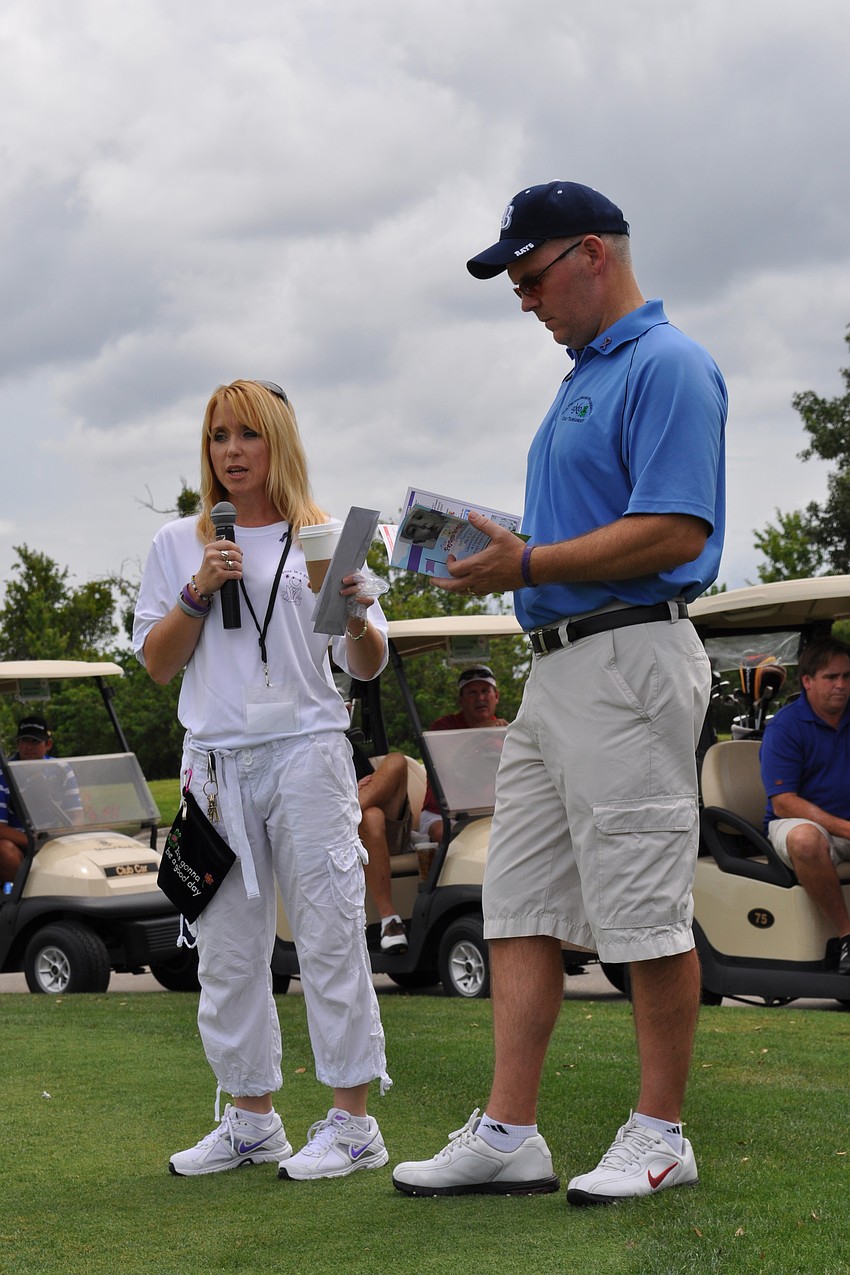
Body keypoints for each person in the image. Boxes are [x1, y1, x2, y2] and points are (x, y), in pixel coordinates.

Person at [392, 181, 726, 1205]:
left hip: (629, 658)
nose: (525, 300)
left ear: (592, 253)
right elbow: (574, 541)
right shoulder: (583, 376)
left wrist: (525, 565)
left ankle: (661, 1133)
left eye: (530, 277)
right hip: (562, 665)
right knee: (517, 898)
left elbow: (677, 531)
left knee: (642, 907)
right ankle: (509, 1133)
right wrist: (514, 562)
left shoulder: (667, 364)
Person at [133, 378, 392, 1182]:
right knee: (227, 950)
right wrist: (198, 590)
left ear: (277, 440)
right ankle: (252, 1118)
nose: (232, 450)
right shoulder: (180, 543)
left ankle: (352, 1122)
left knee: (327, 932)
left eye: (247, 434)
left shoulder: (322, 534)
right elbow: (156, 662)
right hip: (213, 762)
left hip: (308, 749)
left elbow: (366, 661)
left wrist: (350, 607)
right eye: (218, 436)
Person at [760, 637, 850, 973]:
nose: (841, 685)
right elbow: (784, 803)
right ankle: (847, 939)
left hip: (845, 826)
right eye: (831, 677)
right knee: (805, 840)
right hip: (800, 824)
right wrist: (844, 828)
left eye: (847, 676)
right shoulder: (786, 727)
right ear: (808, 681)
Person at [418, 665, 508, 844]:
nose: (480, 698)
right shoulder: (443, 728)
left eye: (485, 691)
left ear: (496, 696)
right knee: (444, 834)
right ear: (461, 700)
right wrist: (480, 732)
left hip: (492, 813)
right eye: (472, 693)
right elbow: (445, 764)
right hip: (443, 815)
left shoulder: (505, 731)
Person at [0, 716, 82, 883]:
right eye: (24, 741)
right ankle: (31, 893)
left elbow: (77, 817)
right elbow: (0, 828)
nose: (29, 747)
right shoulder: (4, 773)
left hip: (53, 841)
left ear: (48, 745)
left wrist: (56, 840)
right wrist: (34, 842)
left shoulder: (62, 770)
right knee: (4, 851)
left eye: (35, 742)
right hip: (20, 843)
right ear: (17, 744)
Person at [350, 742, 413, 953]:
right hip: (345, 839)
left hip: (384, 831)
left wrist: (357, 797)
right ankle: (389, 920)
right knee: (372, 816)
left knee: (396, 759)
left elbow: (375, 786)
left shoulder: (348, 744)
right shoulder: (306, 752)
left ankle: (347, 810)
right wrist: (347, 792)